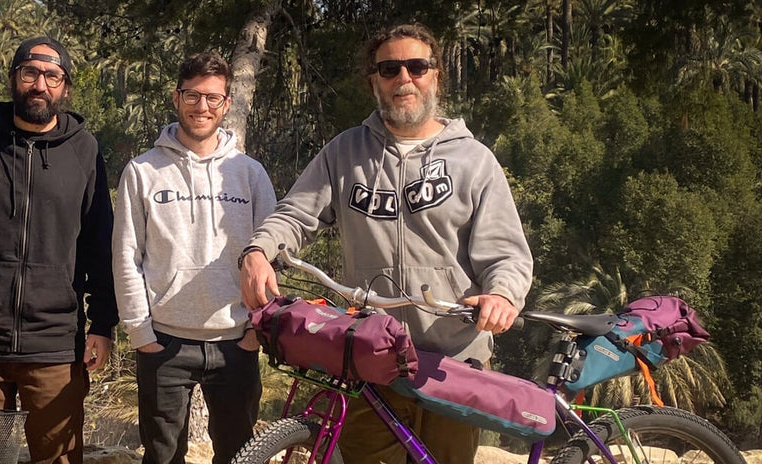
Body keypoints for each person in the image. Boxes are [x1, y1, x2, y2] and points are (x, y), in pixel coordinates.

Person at [238, 24, 533, 464]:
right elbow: (295, 214)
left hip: (453, 359)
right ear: (373, 81)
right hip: (371, 355)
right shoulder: (344, 153)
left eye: (417, 67)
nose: (404, 79)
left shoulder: (474, 160)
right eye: (390, 69)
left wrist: (504, 295)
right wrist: (259, 251)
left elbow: (507, 253)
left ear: (436, 76)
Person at [0, 36, 119, 464]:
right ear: (14, 79)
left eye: (53, 76)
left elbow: (98, 244)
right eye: (30, 73)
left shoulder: (84, 151)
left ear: (65, 88)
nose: (40, 84)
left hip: (55, 345)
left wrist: (104, 323)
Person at [112, 52, 275, 464]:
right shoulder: (142, 172)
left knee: (239, 456)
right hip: (164, 344)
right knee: (163, 457)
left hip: (236, 343)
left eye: (213, 98)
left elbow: (273, 256)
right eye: (192, 96)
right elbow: (126, 255)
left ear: (226, 104)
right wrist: (140, 334)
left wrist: (258, 329)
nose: (202, 107)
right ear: (176, 97)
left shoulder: (249, 172)